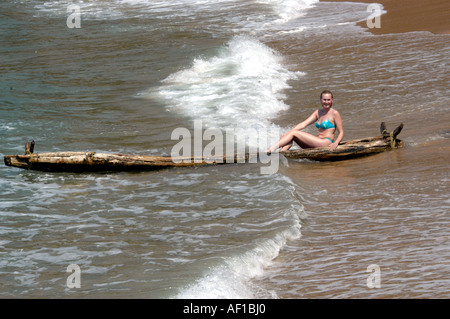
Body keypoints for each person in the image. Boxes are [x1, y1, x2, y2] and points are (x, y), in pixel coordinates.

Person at [266, 90, 344, 153]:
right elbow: (303, 124)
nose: (326, 102)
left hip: (326, 142)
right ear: (321, 100)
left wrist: (336, 143)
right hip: (316, 142)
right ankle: (282, 153)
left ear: (332, 100)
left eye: (328, 100)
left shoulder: (334, 113)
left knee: (293, 133)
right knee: (285, 136)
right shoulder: (318, 112)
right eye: (324, 100)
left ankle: (270, 149)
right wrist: (288, 133)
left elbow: (341, 132)